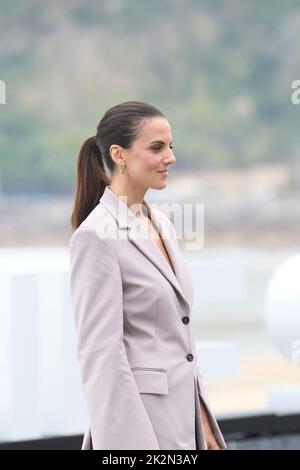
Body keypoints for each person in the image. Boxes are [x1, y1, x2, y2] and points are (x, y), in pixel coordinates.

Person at [69, 100, 227, 450]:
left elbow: (180, 342)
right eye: (156, 147)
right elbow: (102, 357)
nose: (169, 157)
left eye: (170, 146)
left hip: (187, 429)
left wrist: (206, 429)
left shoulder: (164, 226)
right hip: (140, 433)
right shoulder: (95, 236)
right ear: (119, 155)